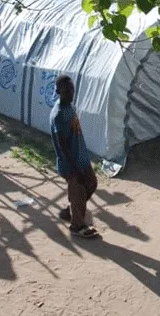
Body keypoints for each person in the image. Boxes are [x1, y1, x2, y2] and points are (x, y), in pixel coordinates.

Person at [50, 75, 99, 239]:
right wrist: (75, 168)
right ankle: (77, 225)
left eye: (72, 90)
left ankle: (72, 210)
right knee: (78, 190)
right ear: (58, 91)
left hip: (81, 158)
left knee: (91, 183)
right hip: (71, 163)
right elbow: (62, 145)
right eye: (67, 91)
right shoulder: (58, 114)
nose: (71, 93)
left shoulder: (68, 107)